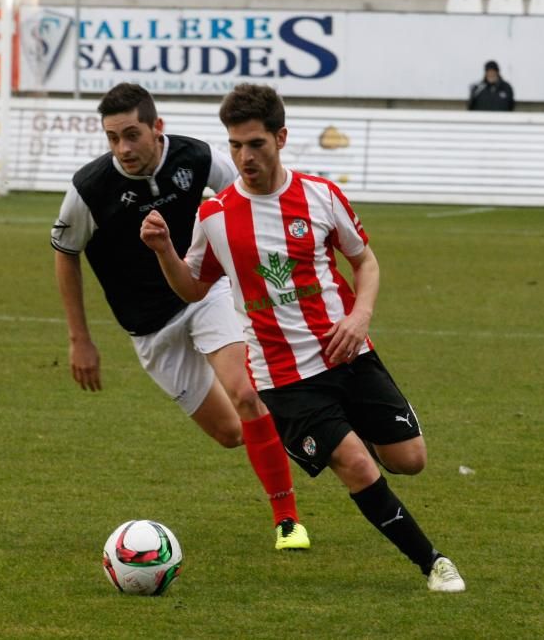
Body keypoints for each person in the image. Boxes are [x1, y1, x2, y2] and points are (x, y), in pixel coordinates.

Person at [141, 83, 466, 592]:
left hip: (349, 354)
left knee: (409, 460)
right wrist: (163, 251)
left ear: (281, 138)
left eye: (255, 144)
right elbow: (193, 286)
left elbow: (364, 261)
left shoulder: (321, 195)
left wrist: (359, 317)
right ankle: (434, 564)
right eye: (235, 145)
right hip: (284, 377)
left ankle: (352, 439)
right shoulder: (217, 216)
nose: (244, 157)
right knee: (357, 464)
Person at [51, 83, 310, 550]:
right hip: (151, 329)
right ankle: (316, 422)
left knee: (246, 394)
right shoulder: (89, 189)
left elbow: (246, 199)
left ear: (157, 128)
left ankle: (288, 521)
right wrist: (79, 339)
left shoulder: (197, 157)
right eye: (112, 138)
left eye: (132, 134)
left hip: (204, 294)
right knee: (233, 433)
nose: (123, 148)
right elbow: (65, 253)